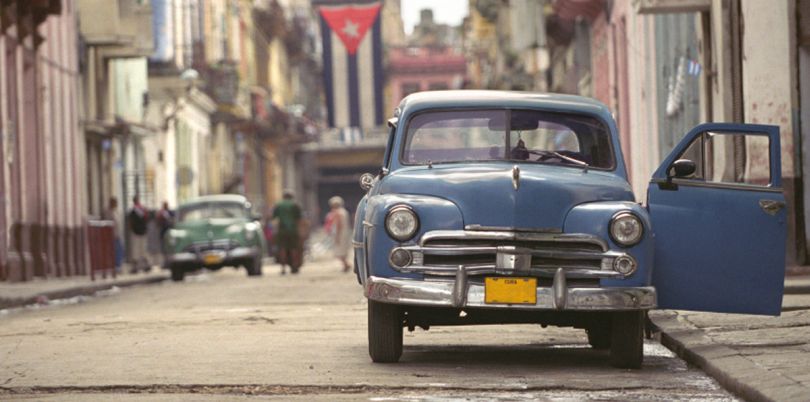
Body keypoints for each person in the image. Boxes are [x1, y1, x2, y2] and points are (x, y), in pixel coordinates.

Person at [272, 191, 303, 275]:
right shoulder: (295, 205)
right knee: (294, 249)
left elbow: (274, 218)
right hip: (293, 230)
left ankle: (283, 268)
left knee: (282, 249)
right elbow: (299, 219)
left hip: (282, 230)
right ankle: (294, 266)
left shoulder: (278, 205)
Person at [324, 196, 351, 272]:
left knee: (340, 251)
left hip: (340, 233)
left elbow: (339, 225)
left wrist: (337, 236)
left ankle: (346, 265)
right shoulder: (344, 211)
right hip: (345, 232)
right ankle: (346, 265)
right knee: (343, 250)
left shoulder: (337, 213)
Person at [127, 195, 151, 273]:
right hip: (143, 232)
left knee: (136, 250)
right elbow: (147, 219)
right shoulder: (143, 209)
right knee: (143, 249)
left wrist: (132, 229)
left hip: (136, 232)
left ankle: (136, 267)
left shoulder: (133, 211)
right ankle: (145, 265)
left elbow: (130, 222)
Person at [101, 197, 123, 272]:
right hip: (112, 234)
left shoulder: (116, 211)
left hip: (118, 234)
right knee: (115, 250)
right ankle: (115, 266)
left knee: (119, 250)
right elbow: (110, 222)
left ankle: (118, 265)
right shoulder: (108, 212)